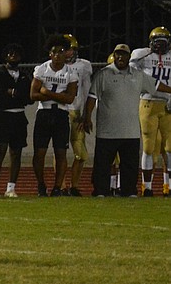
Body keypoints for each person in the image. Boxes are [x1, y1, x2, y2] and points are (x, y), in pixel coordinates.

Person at [81, 44, 171, 197]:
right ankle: (101, 191)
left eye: (123, 54)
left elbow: (156, 86)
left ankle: (129, 191)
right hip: (107, 131)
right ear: (114, 55)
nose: (120, 57)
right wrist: (87, 117)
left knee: (129, 166)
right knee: (103, 165)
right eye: (117, 54)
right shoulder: (103, 74)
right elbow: (92, 97)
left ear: (129, 57)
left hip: (130, 131)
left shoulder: (138, 75)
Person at [30, 34, 77, 197]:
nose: (57, 55)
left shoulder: (71, 72)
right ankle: (41, 184)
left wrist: (47, 92)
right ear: (50, 53)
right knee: (39, 152)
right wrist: (59, 96)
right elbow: (33, 94)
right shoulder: (41, 69)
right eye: (54, 51)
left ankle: (57, 187)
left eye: (61, 51)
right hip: (44, 112)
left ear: (66, 53)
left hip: (61, 115)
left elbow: (70, 98)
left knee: (61, 153)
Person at [129, 26, 171, 197]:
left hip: (168, 103)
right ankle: (147, 187)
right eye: (157, 41)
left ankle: (169, 187)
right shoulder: (142, 55)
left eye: (164, 41)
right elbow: (132, 73)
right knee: (148, 146)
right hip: (148, 101)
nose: (160, 45)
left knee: (170, 147)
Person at [0, 43, 33, 197]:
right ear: (5, 56)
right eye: (10, 53)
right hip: (2, 116)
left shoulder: (25, 75)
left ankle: (11, 188)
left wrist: (12, 92)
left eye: (17, 54)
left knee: (16, 153)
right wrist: (18, 94)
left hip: (19, 117)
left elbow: (29, 98)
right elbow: (0, 95)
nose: (13, 56)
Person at [63, 34, 94, 196]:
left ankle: (74, 186)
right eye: (65, 49)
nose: (68, 53)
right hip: (60, 111)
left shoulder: (84, 66)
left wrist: (86, 115)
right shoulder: (51, 66)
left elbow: (88, 91)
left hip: (76, 112)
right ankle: (60, 186)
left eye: (70, 49)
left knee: (81, 154)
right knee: (60, 151)